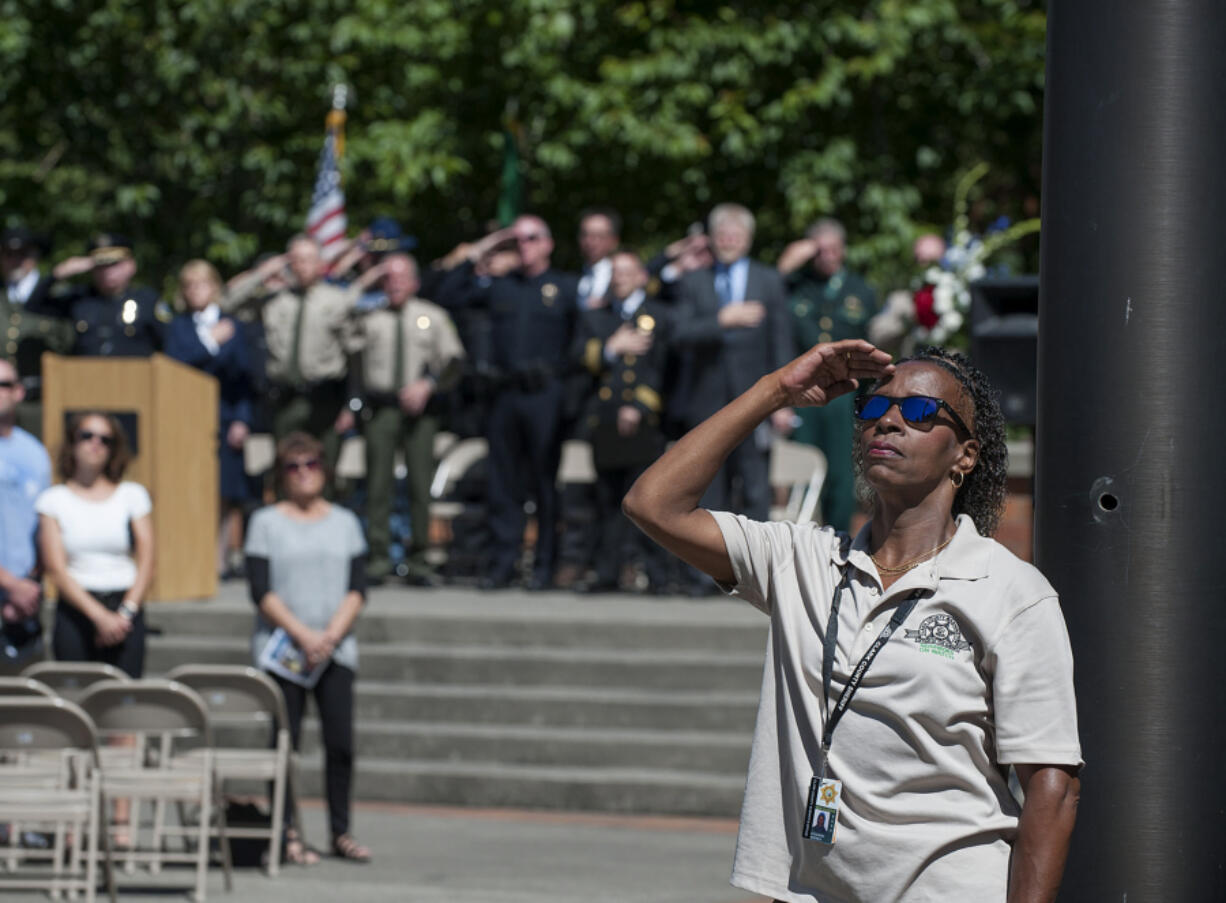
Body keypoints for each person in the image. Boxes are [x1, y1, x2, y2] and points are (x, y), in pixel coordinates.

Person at [624, 341, 1081, 902]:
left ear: (965, 455)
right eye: (873, 407)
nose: (888, 420)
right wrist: (776, 391)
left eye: (917, 412)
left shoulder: (1011, 593)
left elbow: (1052, 789)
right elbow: (653, 504)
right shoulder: (801, 559)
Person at [245, 432, 370, 865]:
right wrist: (303, 634)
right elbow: (261, 591)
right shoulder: (265, 522)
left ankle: (341, 831)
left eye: (312, 464)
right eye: (294, 467)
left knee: (341, 744)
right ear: (282, 475)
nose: (303, 474)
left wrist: (329, 636)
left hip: (334, 650)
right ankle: (286, 831)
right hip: (284, 649)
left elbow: (357, 588)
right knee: (284, 743)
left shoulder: (345, 522)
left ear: (325, 470)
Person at [466, 215, 579, 590]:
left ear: (547, 244)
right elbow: (448, 292)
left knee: (545, 485)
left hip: (545, 395)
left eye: (531, 239)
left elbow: (581, 343)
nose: (523, 246)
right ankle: (502, 564)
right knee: (503, 485)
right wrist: (487, 246)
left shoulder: (564, 287)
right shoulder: (499, 286)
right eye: (516, 241)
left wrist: (567, 398)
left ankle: (545, 566)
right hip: (504, 395)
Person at [671, 204, 794, 519]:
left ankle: (756, 566)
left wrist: (785, 400)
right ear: (711, 239)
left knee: (755, 486)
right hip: (706, 401)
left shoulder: (768, 280)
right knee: (710, 490)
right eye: (722, 235)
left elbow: (780, 342)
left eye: (734, 236)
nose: (728, 241)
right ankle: (709, 566)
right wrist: (721, 320)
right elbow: (679, 333)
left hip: (756, 399)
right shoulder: (693, 281)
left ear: (748, 239)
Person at [349, 253, 465, 584]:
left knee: (419, 486)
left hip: (420, 412)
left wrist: (428, 385)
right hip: (381, 408)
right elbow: (348, 350)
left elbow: (454, 363)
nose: (395, 283)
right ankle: (379, 558)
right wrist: (365, 280)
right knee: (378, 485)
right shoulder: (369, 318)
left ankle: (420, 560)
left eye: (401, 277)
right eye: (388, 278)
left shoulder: (433, 316)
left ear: (414, 282)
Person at [571, 251, 671, 593]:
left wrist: (640, 405)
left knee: (650, 500)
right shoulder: (597, 317)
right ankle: (607, 572)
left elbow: (666, 367)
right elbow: (579, 356)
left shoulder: (659, 316)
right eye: (614, 273)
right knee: (606, 501)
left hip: (646, 424)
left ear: (642, 276)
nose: (619, 279)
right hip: (606, 422)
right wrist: (611, 348)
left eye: (627, 272)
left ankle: (657, 575)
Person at [224, 234, 362, 475]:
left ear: (321, 263)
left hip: (325, 398)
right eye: (296, 260)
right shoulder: (274, 301)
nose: (302, 266)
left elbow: (356, 357)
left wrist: (352, 403)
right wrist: (264, 272)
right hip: (284, 399)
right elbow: (228, 303)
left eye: (308, 259)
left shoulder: (339, 300)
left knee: (324, 471)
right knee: (286, 471)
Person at [778, 218, 879, 532]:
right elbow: (768, 290)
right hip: (802, 391)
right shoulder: (795, 286)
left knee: (839, 472)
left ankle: (839, 539)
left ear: (844, 250)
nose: (828, 256)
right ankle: (802, 538)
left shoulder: (861, 290)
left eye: (834, 249)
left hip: (844, 390)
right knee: (802, 470)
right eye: (820, 250)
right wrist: (791, 260)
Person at [36, 412, 153, 677]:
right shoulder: (53, 500)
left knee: (122, 701)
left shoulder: (132, 495)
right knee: (76, 701)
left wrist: (124, 614)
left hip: (125, 608)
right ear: (72, 443)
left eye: (105, 439)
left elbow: (147, 559)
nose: (95, 443)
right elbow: (56, 568)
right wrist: (99, 617)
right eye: (87, 436)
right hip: (76, 610)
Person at [164, 260, 259, 578]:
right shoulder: (177, 327)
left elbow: (243, 379)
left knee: (224, 491)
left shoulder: (233, 325)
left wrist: (243, 420)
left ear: (214, 287)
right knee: (190, 487)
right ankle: (192, 555)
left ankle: (220, 559)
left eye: (201, 284)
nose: (195, 291)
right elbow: (175, 363)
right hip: (186, 418)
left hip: (224, 417)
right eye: (188, 285)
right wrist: (208, 343)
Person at [0, 358, 51, 673]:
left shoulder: (35, 453)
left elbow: (44, 527)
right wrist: (9, 584)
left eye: (3, 384)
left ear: (18, 392)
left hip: (25, 600)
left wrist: (29, 585)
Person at [0, 229, 73, 436]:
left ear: (34, 257)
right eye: (8, 254)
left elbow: (69, 346)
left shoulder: (57, 297)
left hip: (42, 404)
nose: (15, 261)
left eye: (22, 254)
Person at [46, 233, 166, 356]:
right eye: (101, 265)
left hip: (136, 374)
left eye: (114, 264)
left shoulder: (148, 300)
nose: (108, 271)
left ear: (131, 265)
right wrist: (56, 275)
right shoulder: (79, 299)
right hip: (85, 374)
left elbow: (167, 344)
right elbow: (34, 305)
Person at [576, 208, 620, 309]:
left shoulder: (620, 277)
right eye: (585, 235)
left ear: (614, 240)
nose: (591, 242)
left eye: (599, 236)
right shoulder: (571, 276)